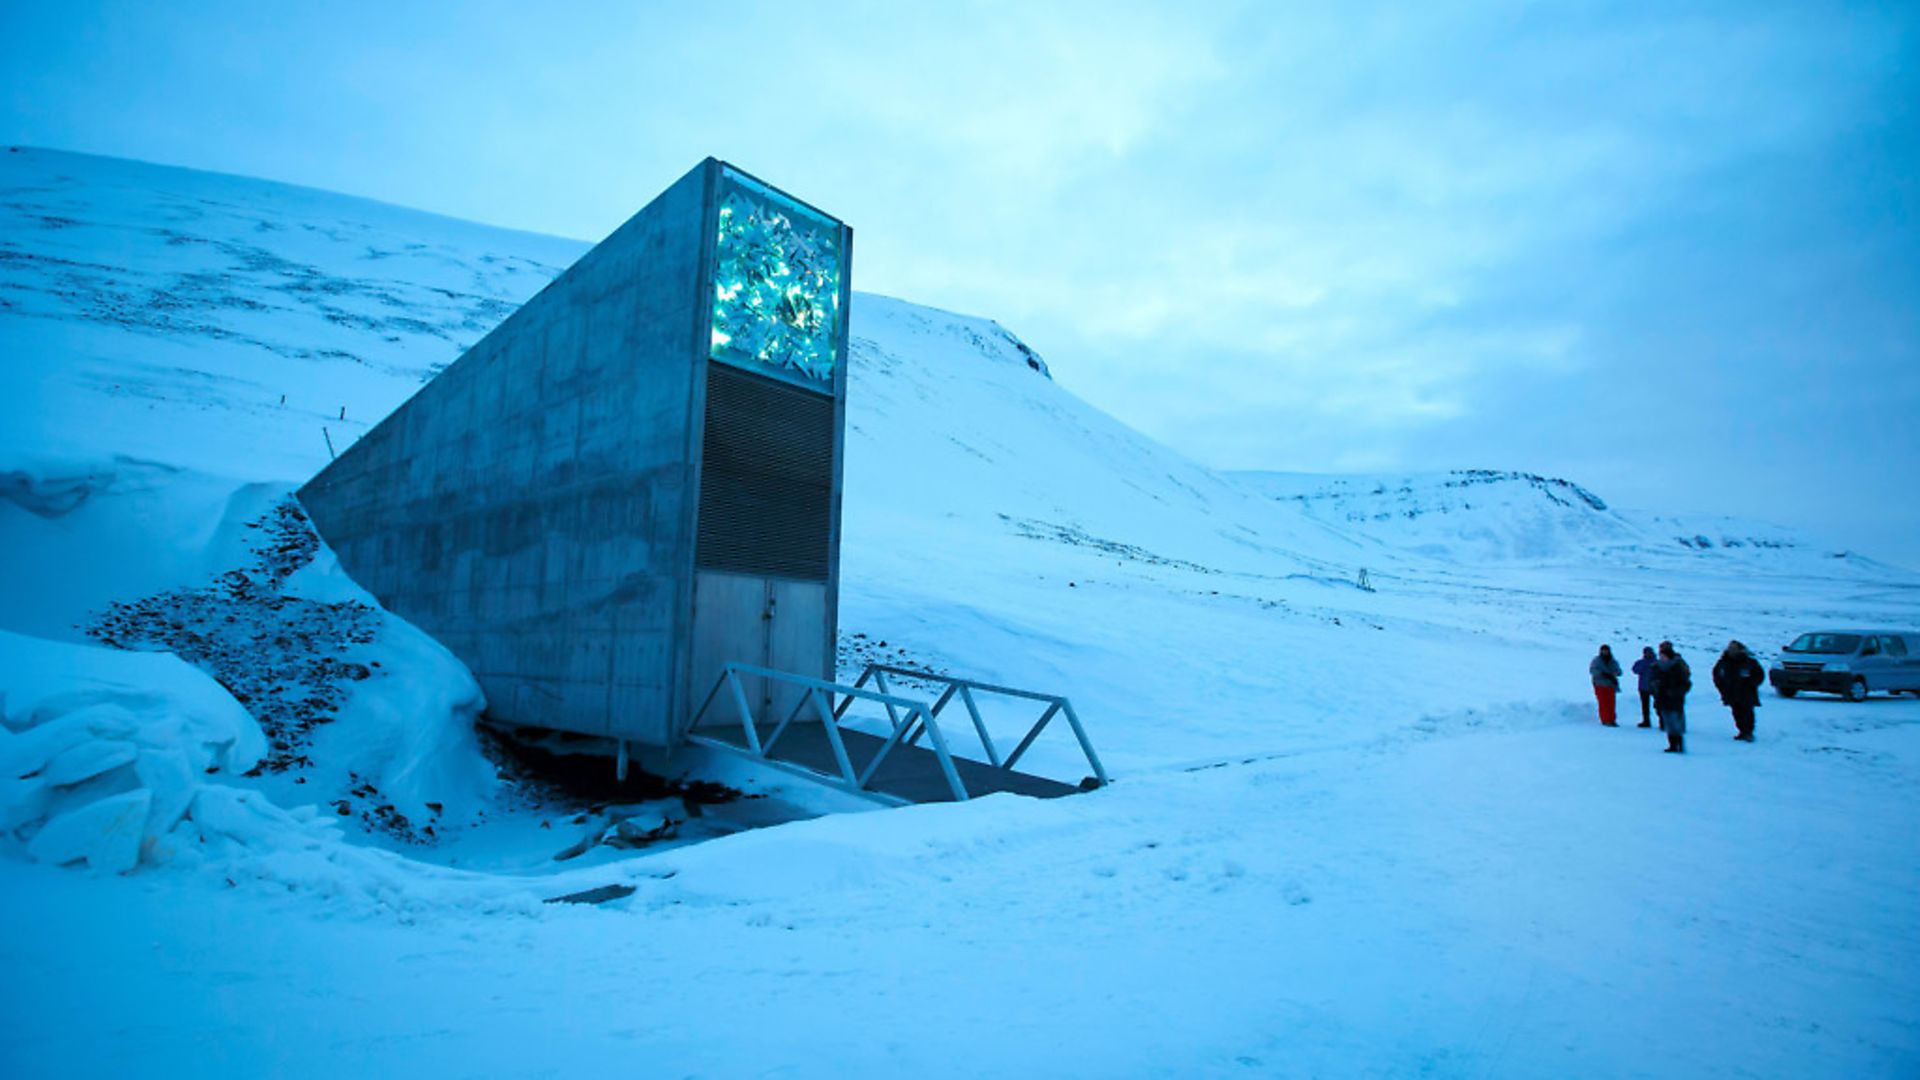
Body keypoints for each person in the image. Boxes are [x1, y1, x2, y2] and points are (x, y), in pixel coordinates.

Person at [1712, 640, 1766, 742]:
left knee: (1747, 712)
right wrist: (1722, 687)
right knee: (1736, 713)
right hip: (1731, 693)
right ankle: (1742, 731)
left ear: (1740, 649)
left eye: (1734, 648)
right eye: (1730, 648)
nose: (1731, 650)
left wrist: (1751, 683)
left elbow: (1759, 675)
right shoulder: (1723, 662)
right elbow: (1717, 675)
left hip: (1746, 693)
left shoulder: (1749, 662)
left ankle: (1748, 732)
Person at [1650, 641, 1691, 753]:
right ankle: (1672, 745)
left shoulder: (1678, 667)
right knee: (1667, 722)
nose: (1661, 658)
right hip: (1662, 698)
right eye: (1660, 656)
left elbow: (1686, 683)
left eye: (1663, 656)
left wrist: (1676, 692)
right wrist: (1654, 687)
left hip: (1674, 699)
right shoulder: (1657, 667)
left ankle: (1679, 743)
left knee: (1674, 722)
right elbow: (1652, 680)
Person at [1589, 644, 1624, 726]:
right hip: (1600, 684)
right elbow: (1592, 670)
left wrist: (1614, 673)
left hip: (1611, 685)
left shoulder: (1613, 661)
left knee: (1611, 703)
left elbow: (1619, 672)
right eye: (1603, 650)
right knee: (1603, 703)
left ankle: (1612, 719)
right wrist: (1603, 674)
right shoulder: (1596, 660)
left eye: (1606, 650)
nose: (1605, 652)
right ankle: (1605, 720)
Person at [1631, 646, 1657, 728]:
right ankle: (1646, 721)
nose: (1647, 654)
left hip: (1655, 687)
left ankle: (1662, 721)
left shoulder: (1656, 662)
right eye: (1646, 653)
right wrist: (1644, 663)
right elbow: (1635, 670)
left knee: (1658, 705)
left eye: (1649, 652)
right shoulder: (1641, 662)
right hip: (1643, 687)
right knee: (1645, 706)